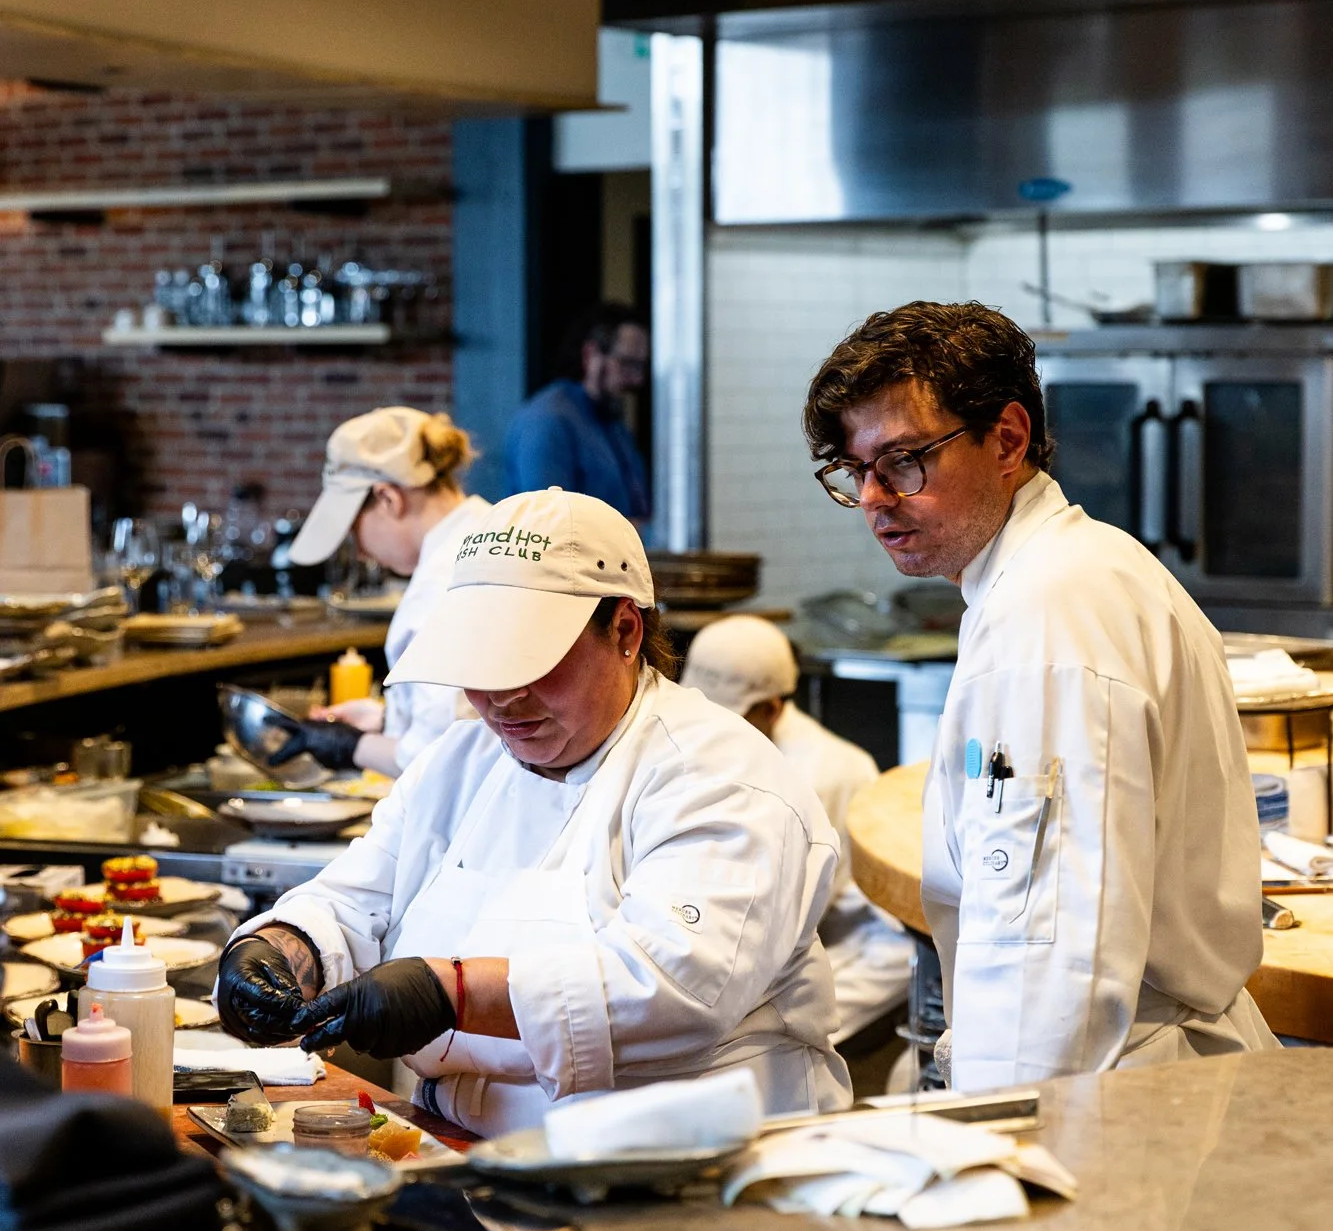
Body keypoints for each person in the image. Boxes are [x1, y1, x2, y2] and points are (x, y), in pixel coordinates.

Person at [216, 489, 851, 1133]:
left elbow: (672, 990)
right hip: (467, 1147)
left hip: (682, 1172)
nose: (501, 698)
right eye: (477, 665)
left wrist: (450, 992)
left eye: (531, 661)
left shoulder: (717, 774)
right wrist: (281, 947)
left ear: (625, 631)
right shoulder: (461, 759)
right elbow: (355, 900)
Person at [803, 300, 1277, 1094]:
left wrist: (1004, 1148)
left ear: (1007, 439)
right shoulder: (1074, 572)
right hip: (1131, 1073)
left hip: (1114, 1094)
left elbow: (1048, 951)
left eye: (904, 460)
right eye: (855, 472)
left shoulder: (1046, 617)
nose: (877, 498)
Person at [681, 615, 912, 1048]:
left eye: (731, 715)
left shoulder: (824, 772)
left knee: (774, 1037)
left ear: (771, 707)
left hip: (857, 943)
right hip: (787, 933)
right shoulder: (722, 743)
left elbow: (787, 914)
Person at [278, 407, 490, 777]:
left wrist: (350, 746)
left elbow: (441, 757)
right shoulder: (487, 530)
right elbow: (471, 710)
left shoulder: (444, 583)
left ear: (389, 499)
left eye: (355, 529)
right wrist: (385, 717)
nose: (360, 551)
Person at [503, 302, 650, 521]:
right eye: (626, 363)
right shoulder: (547, 420)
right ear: (591, 355)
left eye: (641, 366)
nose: (637, 379)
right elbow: (549, 524)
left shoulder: (612, 424)